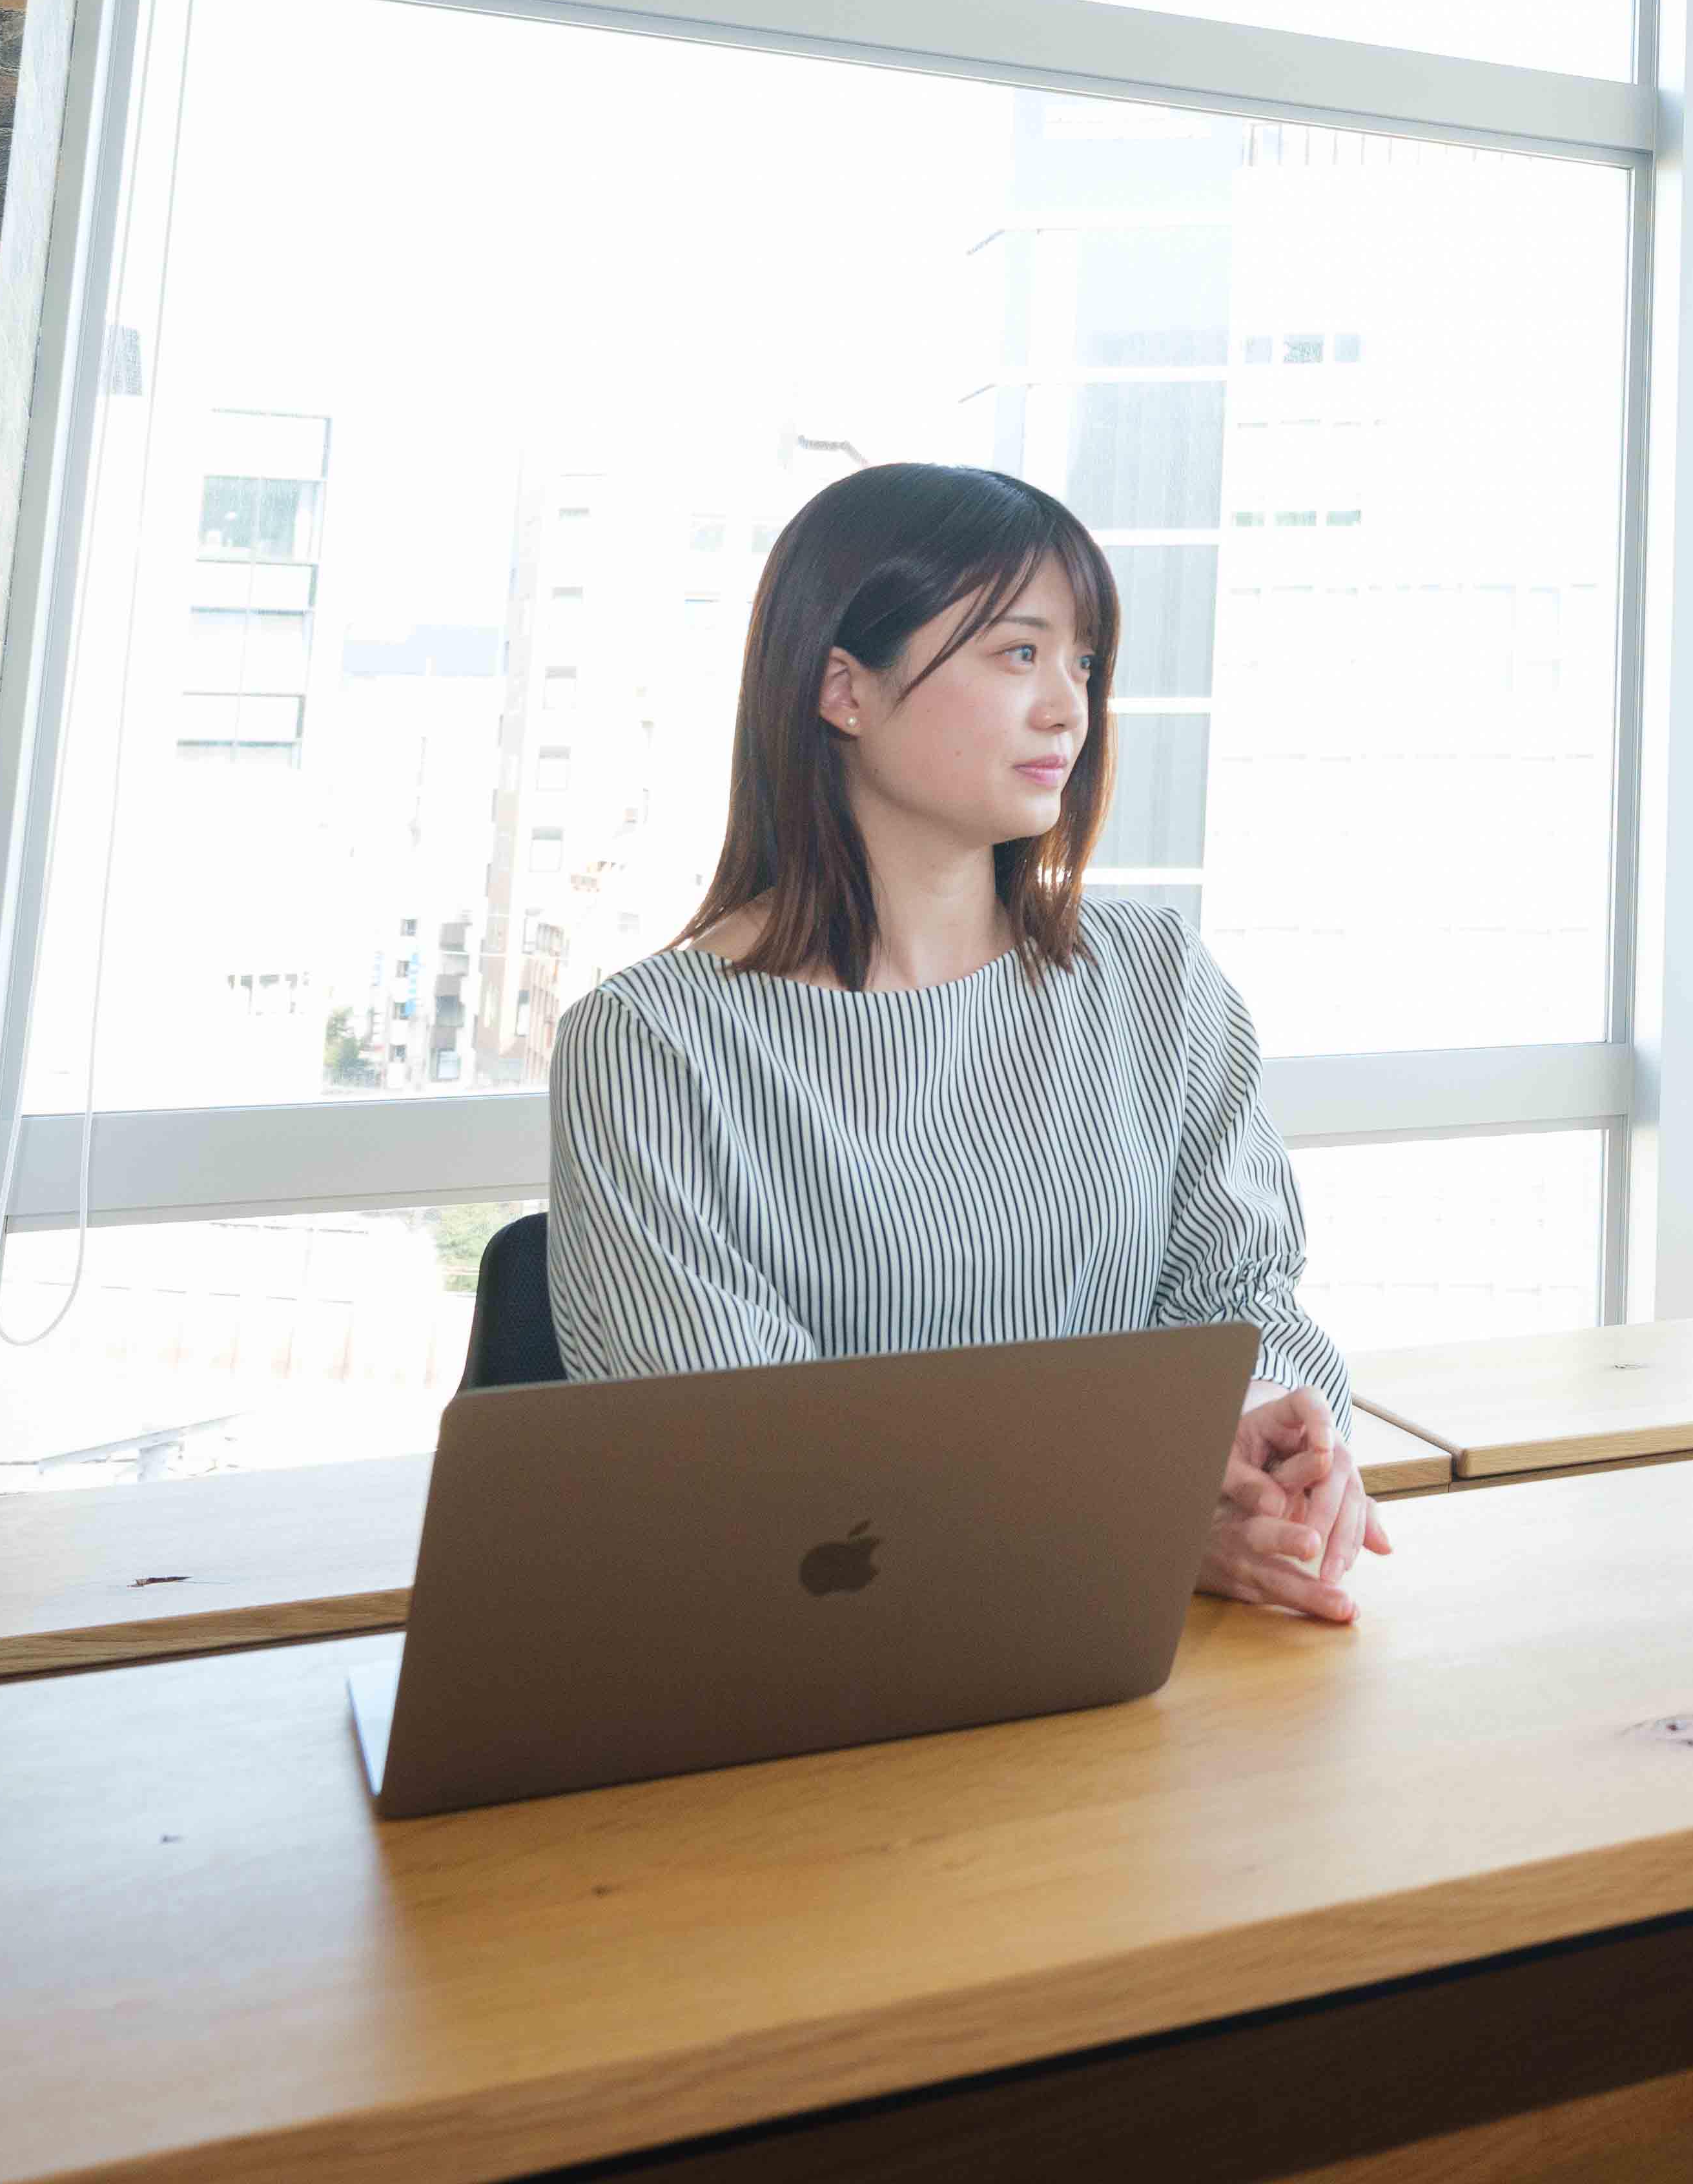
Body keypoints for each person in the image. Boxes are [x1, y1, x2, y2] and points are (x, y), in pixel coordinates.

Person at [545, 459, 1386, 1625]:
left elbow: (1239, 1282)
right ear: (845, 689)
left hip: (1153, 1655)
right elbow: (748, 1461)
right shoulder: (654, 1047)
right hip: (828, 1677)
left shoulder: (1154, 980)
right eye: (1017, 653)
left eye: (1083, 661)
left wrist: (1273, 1438)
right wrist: (1136, 1516)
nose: (1068, 707)